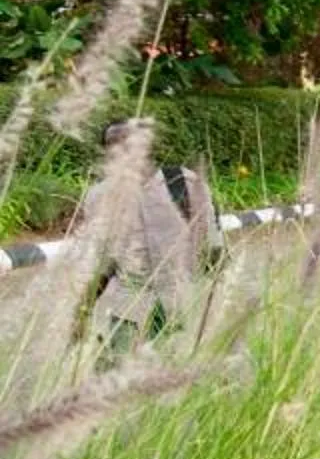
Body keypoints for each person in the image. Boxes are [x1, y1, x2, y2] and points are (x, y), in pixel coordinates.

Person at [78, 121, 223, 354]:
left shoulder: (185, 183)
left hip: (177, 308)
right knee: (120, 380)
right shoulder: (99, 197)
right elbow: (99, 264)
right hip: (133, 313)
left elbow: (214, 249)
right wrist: (83, 311)